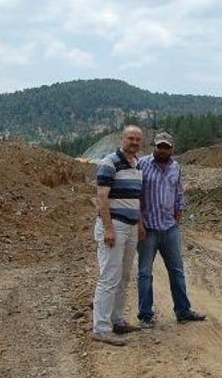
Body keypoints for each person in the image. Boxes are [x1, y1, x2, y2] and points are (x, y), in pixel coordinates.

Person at [136, 131, 205, 328]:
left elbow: (178, 193)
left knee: (177, 271)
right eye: (160, 146)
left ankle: (183, 311)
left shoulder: (176, 167)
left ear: (171, 149)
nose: (163, 150)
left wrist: (177, 218)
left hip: (169, 229)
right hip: (148, 229)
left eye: (166, 147)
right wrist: (139, 224)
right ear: (154, 146)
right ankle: (145, 315)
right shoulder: (141, 165)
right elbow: (135, 195)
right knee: (145, 273)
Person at [91, 125, 146, 346]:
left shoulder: (137, 165)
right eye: (131, 138)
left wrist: (139, 224)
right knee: (109, 277)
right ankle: (101, 328)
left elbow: (135, 198)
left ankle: (117, 320)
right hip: (115, 225)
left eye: (138, 139)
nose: (134, 142)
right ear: (122, 139)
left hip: (131, 227)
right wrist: (108, 228)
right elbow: (102, 197)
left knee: (124, 276)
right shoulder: (109, 163)